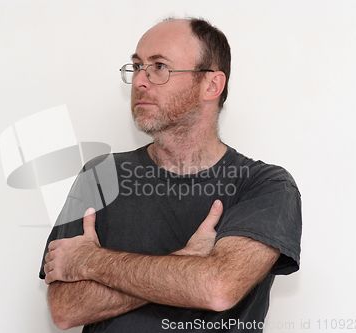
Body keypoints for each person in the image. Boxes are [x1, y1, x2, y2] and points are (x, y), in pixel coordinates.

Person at [39, 17, 302, 333]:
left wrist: (90, 262)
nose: (140, 81)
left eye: (159, 67)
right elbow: (65, 309)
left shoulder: (265, 186)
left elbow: (217, 288)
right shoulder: (101, 174)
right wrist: (189, 260)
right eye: (137, 67)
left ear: (211, 85)